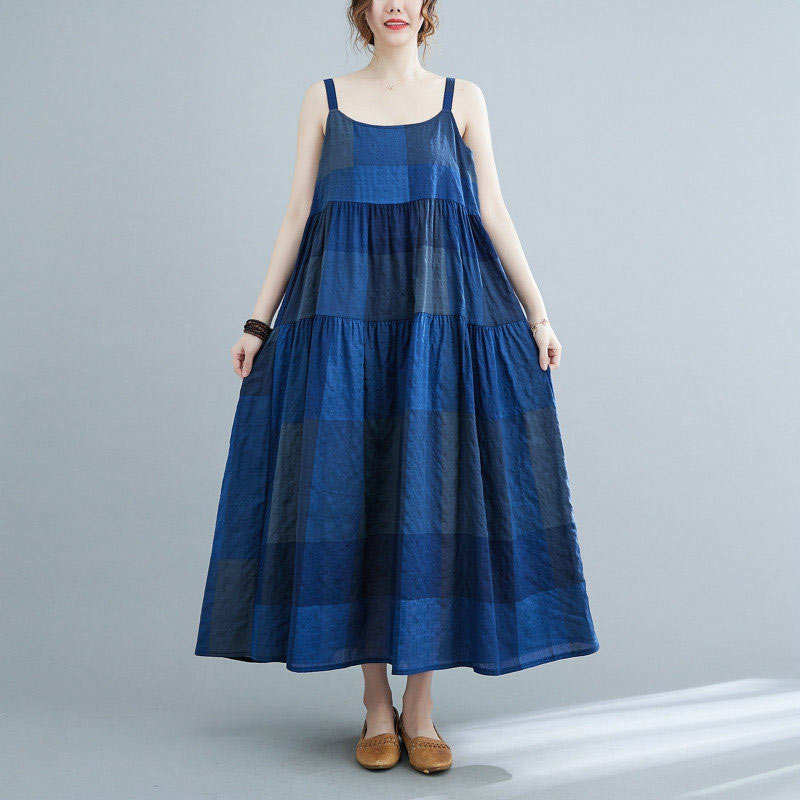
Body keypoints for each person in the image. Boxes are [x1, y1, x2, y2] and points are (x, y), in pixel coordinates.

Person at [195, 0, 599, 775]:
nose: (394, 5)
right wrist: (257, 323)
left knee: (427, 504)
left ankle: (421, 707)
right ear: (362, 9)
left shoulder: (462, 100)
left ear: (426, 8)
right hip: (342, 322)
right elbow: (297, 215)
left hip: (434, 326)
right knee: (348, 496)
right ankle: (375, 704)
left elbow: (492, 211)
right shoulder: (324, 99)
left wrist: (539, 314)